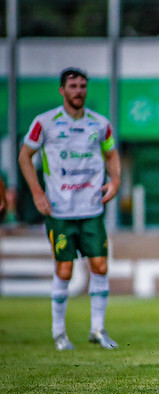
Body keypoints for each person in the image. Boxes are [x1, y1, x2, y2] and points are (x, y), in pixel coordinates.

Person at [18, 67, 121, 351]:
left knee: (100, 266)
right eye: (73, 86)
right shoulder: (45, 122)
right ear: (62, 90)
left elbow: (111, 154)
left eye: (83, 86)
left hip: (91, 208)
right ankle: (59, 333)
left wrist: (116, 181)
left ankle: (98, 329)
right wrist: (38, 193)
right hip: (60, 210)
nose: (79, 91)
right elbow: (25, 156)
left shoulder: (100, 124)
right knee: (64, 270)